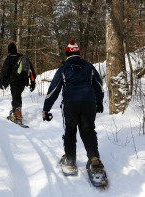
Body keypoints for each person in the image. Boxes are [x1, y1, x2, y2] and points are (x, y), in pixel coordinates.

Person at [42, 39, 105, 172]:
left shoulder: (63, 69)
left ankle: (70, 161)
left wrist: (46, 108)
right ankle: (94, 159)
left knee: (70, 132)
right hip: (89, 104)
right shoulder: (89, 67)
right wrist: (99, 101)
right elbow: (99, 84)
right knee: (88, 131)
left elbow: (53, 89)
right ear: (78, 53)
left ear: (66, 54)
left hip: (70, 105)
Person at [0, 43, 36, 123]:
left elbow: (5, 71)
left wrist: (1, 82)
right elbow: (31, 71)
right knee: (17, 96)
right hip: (23, 81)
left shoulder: (9, 58)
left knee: (16, 98)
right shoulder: (23, 57)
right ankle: (16, 112)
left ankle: (18, 117)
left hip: (14, 81)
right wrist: (33, 82)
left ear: (9, 51)